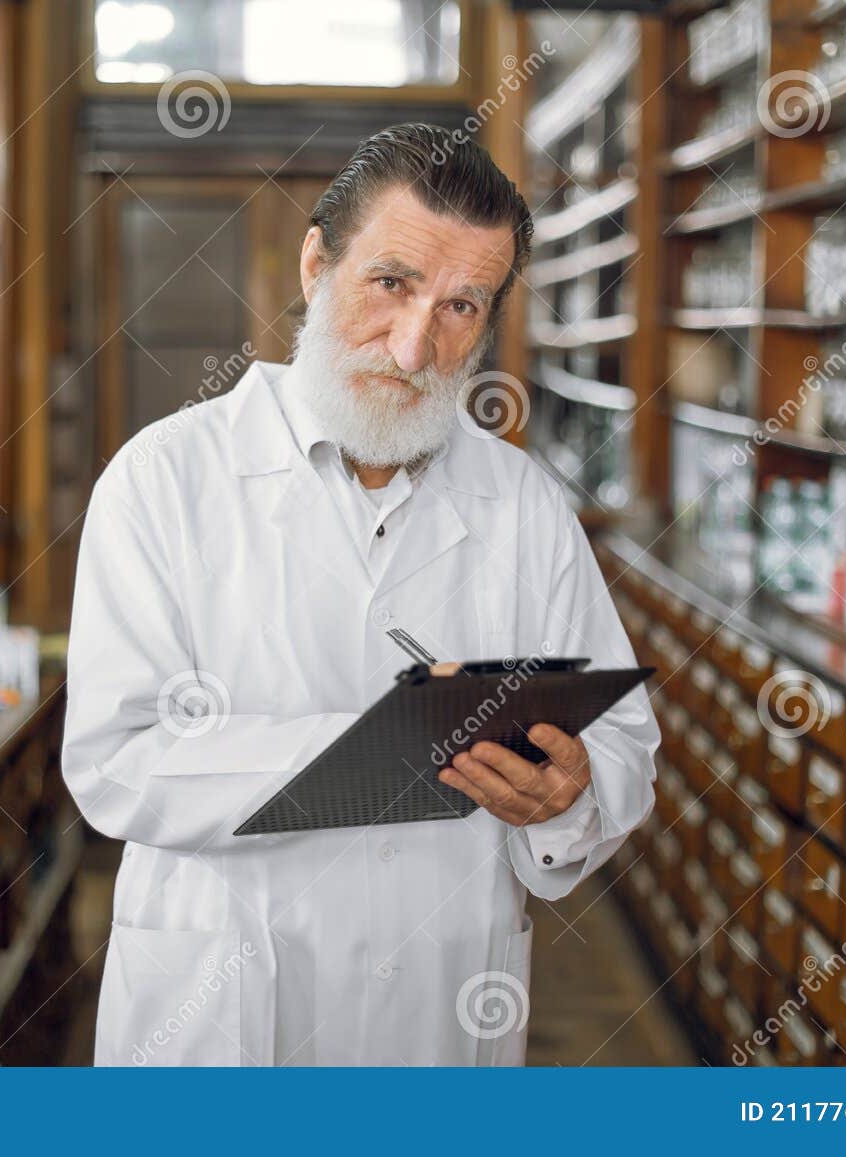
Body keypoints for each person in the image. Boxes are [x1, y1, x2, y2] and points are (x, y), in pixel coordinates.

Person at [62, 123, 659, 1066]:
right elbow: (116, 759)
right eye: (392, 283)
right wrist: (388, 751)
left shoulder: (523, 505)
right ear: (315, 265)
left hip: (439, 1003)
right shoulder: (162, 480)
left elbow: (621, 743)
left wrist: (567, 798)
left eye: (462, 305)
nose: (416, 344)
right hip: (221, 1013)